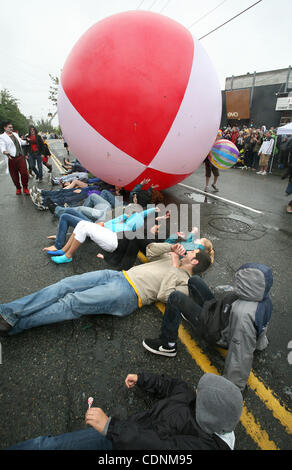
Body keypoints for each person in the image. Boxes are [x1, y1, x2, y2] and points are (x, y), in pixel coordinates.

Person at [0, 243, 211, 335]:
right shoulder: (173, 256)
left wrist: (174, 266)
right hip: (119, 275)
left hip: (128, 294)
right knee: (65, 284)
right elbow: (150, 250)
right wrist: (170, 247)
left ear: (193, 262)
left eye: (190, 252)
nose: (187, 251)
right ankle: (9, 312)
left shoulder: (186, 284)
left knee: (71, 303)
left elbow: (166, 296)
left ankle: (17, 325)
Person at [7, 371, 243, 450]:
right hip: (130, 431)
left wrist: (111, 427)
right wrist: (143, 379)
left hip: (123, 438)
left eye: (201, 393)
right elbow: (172, 386)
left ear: (207, 414)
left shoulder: (203, 445)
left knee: (49, 446)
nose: (196, 391)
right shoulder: (193, 399)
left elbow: (159, 447)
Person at [142, 263, 273, 391]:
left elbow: (240, 350)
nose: (236, 279)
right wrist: (260, 344)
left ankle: (167, 345)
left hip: (215, 332)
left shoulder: (243, 315)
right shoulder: (262, 298)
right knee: (194, 280)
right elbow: (261, 326)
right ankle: (194, 315)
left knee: (175, 298)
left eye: (240, 278)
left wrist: (232, 387)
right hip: (219, 313)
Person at [47, 207, 158, 264]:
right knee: (82, 223)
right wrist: (153, 209)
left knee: (84, 226)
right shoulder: (123, 222)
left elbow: (140, 216)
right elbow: (141, 214)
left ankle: (68, 256)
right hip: (107, 235)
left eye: (132, 216)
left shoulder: (127, 228)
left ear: (133, 221)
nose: (130, 215)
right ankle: (64, 250)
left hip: (112, 242)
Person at [0, 121, 29, 195]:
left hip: (20, 156)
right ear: (5, 128)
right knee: (14, 175)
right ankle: (18, 188)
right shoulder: (2, 137)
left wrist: (27, 142)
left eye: (12, 127)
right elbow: (2, 146)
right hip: (11, 158)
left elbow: (21, 142)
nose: (11, 128)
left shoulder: (15, 134)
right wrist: (5, 152)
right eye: (9, 127)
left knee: (24, 173)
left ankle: (25, 188)